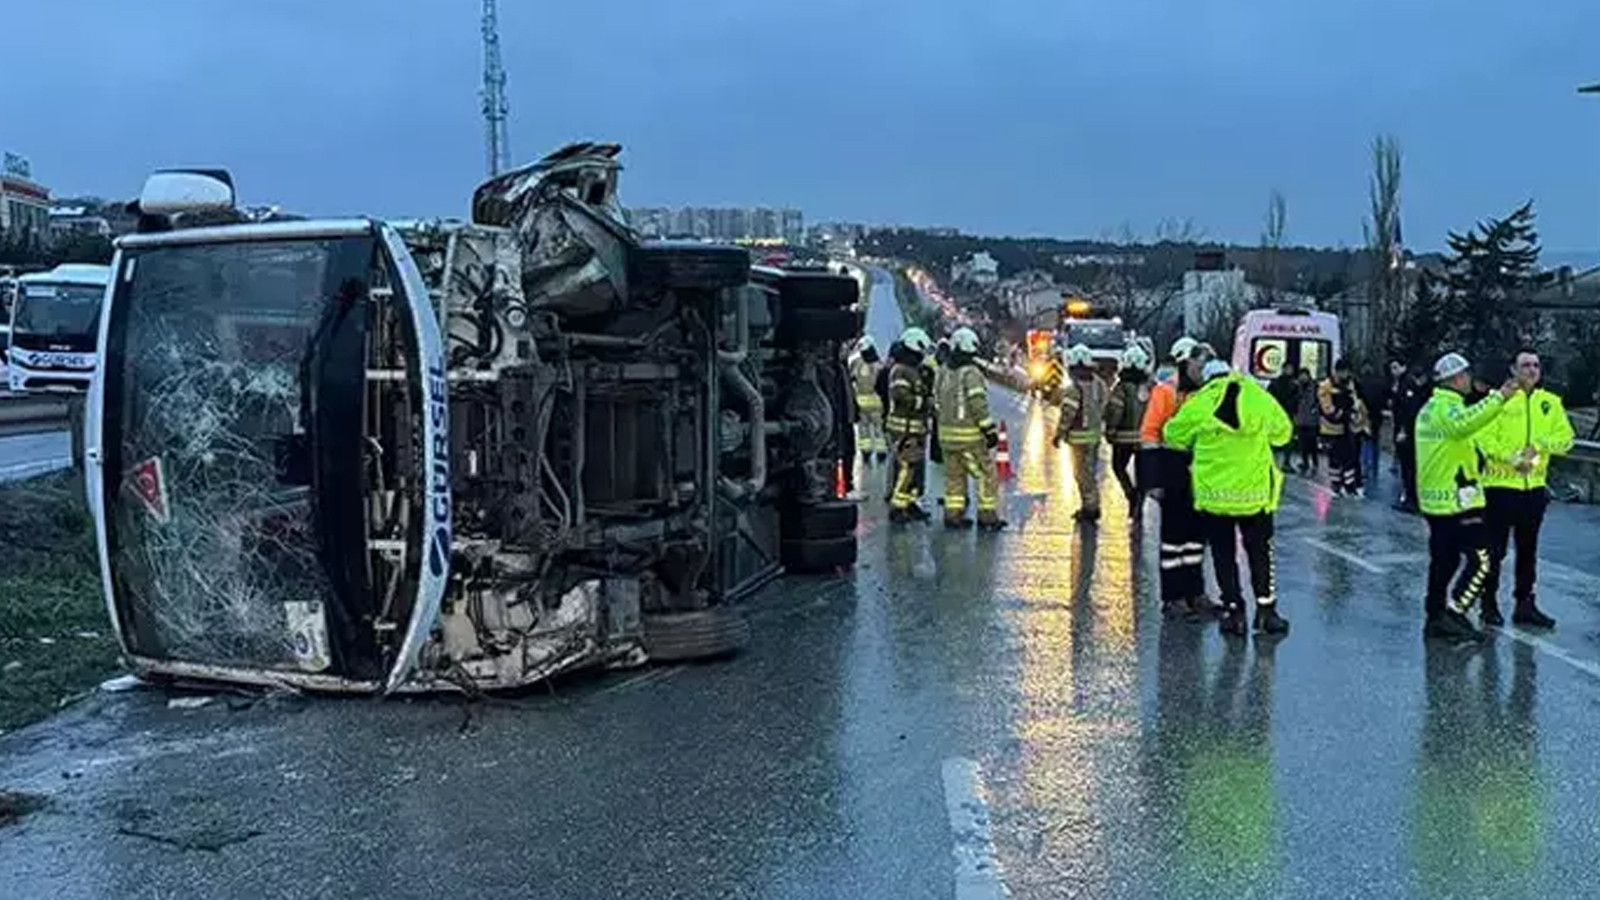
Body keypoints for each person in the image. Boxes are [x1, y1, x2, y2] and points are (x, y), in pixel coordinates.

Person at [1164, 358, 1293, 636]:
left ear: (1209, 379)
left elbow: (1172, 434)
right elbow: (1283, 433)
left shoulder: (1200, 402)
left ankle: (1234, 612)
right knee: (1261, 553)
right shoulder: (1258, 396)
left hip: (1215, 498)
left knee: (1224, 556)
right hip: (1255, 495)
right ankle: (1267, 612)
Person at [1414, 351, 1518, 642]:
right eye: (1467, 375)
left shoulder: (1442, 407)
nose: (1470, 380)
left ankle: (1436, 616)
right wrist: (1499, 398)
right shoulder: (1444, 409)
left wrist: (1510, 459)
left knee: (1444, 561)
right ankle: (1454, 611)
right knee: (1482, 560)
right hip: (1454, 500)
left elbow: (1473, 444)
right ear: (1456, 379)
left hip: (1447, 498)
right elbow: (1465, 425)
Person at [1476, 349, 1573, 629]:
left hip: (1533, 490)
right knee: (1495, 551)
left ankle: (1525, 604)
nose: (1532, 370)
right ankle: (1488, 603)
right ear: (1513, 370)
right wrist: (1512, 458)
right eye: (1526, 365)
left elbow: (1565, 439)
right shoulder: (1499, 401)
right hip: (1501, 487)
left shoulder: (1550, 403)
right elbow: (1483, 438)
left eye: (1536, 365)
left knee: (1528, 550)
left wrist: (1540, 445)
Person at [1140, 336, 1218, 618]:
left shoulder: (1206, 391)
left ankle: (1195, 593)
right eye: (1197, 362)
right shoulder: (1166, 392)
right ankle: (1173, 597)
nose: (1201, 367)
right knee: (1173, 538)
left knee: (1197, 538)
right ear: (1185, 361)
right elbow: (1149, 434)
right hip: (1172, 468)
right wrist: (1153, 480)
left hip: (1202, 469)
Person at [935, 327, 1007, 531]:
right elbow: (978, 405)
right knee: (987, 474)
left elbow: (937, 401)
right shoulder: (972, 373)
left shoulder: (943, 371)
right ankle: (987, 516)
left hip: (946, 437)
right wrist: (989, 431)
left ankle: (953, 515)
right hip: (969, 437)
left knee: (954, 476)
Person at [1053, 343, 1110, 522]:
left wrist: (1059, 435)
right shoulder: (1099, 384)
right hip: (1094, 436)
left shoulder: (1073, 388)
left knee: (1082, 475)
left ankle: (1090, 509)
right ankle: (1090, 506)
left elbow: (1067, 414)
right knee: (1090, 473)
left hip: (1078, 439)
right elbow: (1104, 405)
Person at [886, 327, 936, 523]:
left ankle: (910, 503)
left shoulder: (913, 370)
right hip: (904, 430)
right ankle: (897, 508)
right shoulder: (900, 370)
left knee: (915, 471)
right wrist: (924, 403)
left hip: (916, 429)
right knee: (906, 469)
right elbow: (901, 396)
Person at [1103, 344, 1152, 520]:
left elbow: (1116, 410)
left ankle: (1131, 496)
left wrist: (1110, 430)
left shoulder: (1121, 387)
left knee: (1118, 467)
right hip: (1146, 440)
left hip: (1123, 439)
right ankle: (1139, 501)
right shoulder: (1150, 387)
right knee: (1143, 474)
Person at [1318, 358, 1369, 497]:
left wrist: (1355, 414)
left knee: (1349, 458)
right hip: (1331, 428)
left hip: (1348, 427)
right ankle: (1335, 485)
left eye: (1347, 372)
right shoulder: (1326, 385)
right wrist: (1343, 413)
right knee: (1334, 459)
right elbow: (1327, 409)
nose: (1346, 375)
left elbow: (1356, 402)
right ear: (1337, 371)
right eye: (1343, 372)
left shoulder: (1351, 384)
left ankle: (1349, 486)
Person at [1391, 363, 1429, 513]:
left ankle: (1412, 499)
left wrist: (1403, 430)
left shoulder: (1408, 386)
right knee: (1409, 467)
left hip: (1410, 434)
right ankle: (1411, 498)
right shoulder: (1406, 385)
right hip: (1411, 433)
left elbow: (1408, 410)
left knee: (1410, 468)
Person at [849, 336, 887, 466]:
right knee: (878, 430)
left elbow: (851, 379)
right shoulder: (878, 364)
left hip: (861, 403)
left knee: (864, 430)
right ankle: (881, 453)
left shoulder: (855, 362)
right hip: (877, 404)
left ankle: (866, 452)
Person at [1267, 362, 1302, 471]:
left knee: (1288, 439)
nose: (1289, 371)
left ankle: (1285, 462)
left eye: (1290, 369)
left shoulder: (1294, 384)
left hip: (1287, 414)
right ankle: (1272, 462)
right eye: (1287, 368)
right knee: (1275, 438)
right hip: (1280, 414)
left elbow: (1297, 400)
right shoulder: (1276, 383)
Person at [1292, 367, 1320, 476]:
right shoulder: (1297, 387)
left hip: (1312, 420)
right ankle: (1305, 462)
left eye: (1304, 375)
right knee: (1302, 443)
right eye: (1301, 375)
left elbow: (1318, 401)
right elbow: (1294, 401)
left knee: (1312, 443)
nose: (1303, 377)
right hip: (1300, 419)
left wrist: (1315, 411)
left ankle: (1315, 463)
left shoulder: (1315, 386)